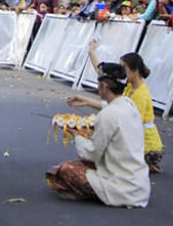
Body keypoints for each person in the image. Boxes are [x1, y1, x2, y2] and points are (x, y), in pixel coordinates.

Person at [46, 61, 150, 207]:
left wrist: (77, 137)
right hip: (139, 184)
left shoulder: (107, 115)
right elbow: (110, 106)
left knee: (65, 169)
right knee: (77, 166)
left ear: (104, 87)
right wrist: (86, 102)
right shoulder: (129, 104)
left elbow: (92, 153)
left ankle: (92, 193)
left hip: (122, 187)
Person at [67, 44, 164, 173]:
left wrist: (80, 136)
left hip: (145, 146)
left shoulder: (140, 94)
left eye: (123, 68)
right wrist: (91, 52)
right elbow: (104, 74)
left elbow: (129, 125)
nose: (120, 71)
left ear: (135, 71)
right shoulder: (128, 87)